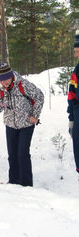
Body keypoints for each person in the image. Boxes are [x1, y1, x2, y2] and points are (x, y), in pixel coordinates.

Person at [0, 63, 44, 186]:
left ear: (11, 76)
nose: (4, 82)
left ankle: (26, 184)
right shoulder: (1, 90)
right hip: (10, 125)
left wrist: (35, 115)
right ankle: (14, 182)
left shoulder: (23, 85)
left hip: (26, 125)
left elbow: (39, 96)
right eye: (0, 80)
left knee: (22, 154)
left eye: (6, 78)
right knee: (12, 155)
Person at [67, 30, 79, 178]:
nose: (75, 55)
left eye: (77, 51)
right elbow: (72, 93)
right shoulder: (77, 70)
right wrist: (72, 116)